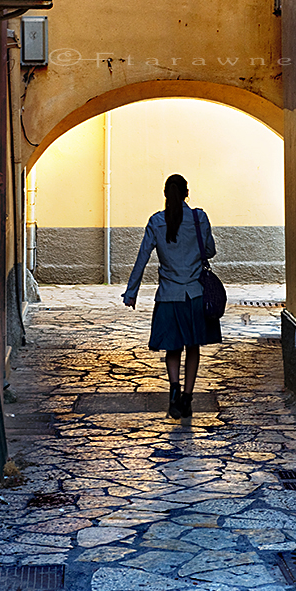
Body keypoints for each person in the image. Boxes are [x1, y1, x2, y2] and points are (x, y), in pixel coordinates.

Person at [122, 174, 221, 419]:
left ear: (166, 194)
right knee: (193, 346)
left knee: (173, 347)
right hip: (195, 295)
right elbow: (210, 250)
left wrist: (131, 291)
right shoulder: (199, 218)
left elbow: (142, 258)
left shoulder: (156, 222)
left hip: (168, 296)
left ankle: (174, 389)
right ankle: (187, 396)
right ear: (187, 193)